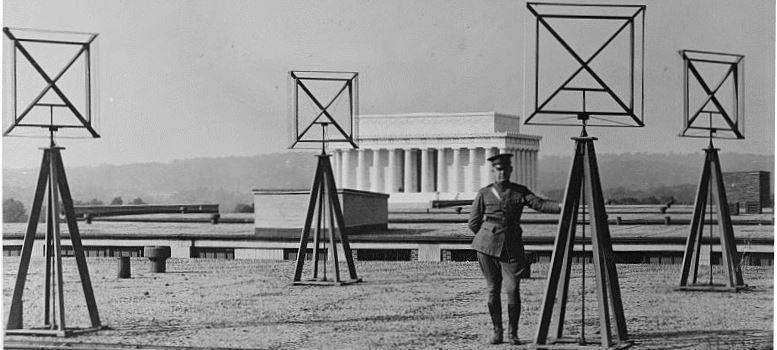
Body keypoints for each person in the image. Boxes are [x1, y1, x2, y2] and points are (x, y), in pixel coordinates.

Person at [468, 153, 561, 345]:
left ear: (510, 170)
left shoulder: (519, 191)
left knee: (512, 289)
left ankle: (513, 333)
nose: (501, 173)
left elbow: (539, 204)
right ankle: (497, 332)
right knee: (493, 289)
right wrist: (488, 234)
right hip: (486, 247)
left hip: (511, 247)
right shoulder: (484, 193)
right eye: (498, 170)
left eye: (505, 169)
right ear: (493, 172)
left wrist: (562, 206)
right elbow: (473, 222)